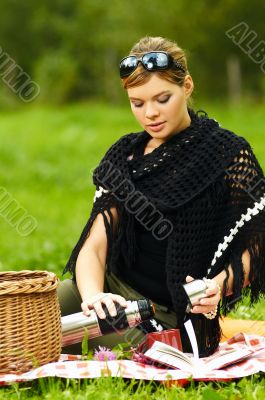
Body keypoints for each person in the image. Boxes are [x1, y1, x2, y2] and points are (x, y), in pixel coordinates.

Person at [58, 36, 265, 357]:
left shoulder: (228, 153)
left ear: (188, 86)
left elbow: (256, 240)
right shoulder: (125, 155)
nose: (150, 113)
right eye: (137, 103)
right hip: (110, 297)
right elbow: (95, 245)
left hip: (168, 318)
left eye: (162, 98)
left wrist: (219, 285)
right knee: (20, 319)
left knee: (44, 340)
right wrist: (94, 298)